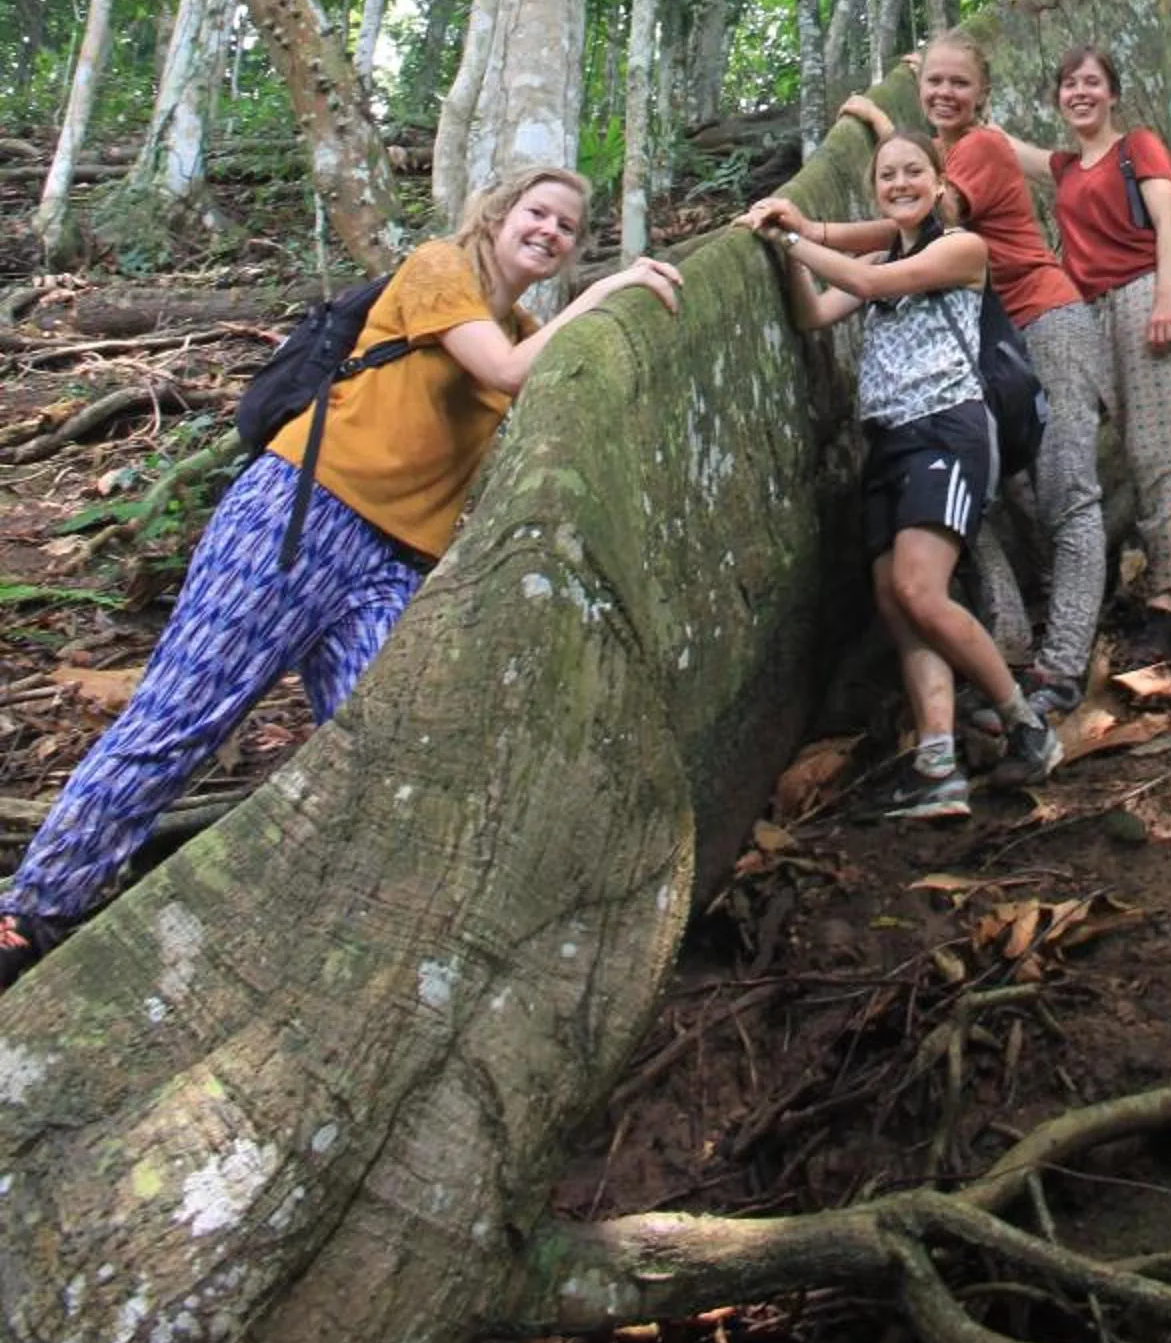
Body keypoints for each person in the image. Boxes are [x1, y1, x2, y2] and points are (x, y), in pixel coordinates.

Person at [0, 170, 683, 989]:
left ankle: (354, 941)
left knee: (394, 743)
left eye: (570, 227)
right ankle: (31, 913)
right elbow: (502, 371)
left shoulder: (535, 324)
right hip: (301, 511)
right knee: (183, 716)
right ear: (498, 218)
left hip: (390, 564)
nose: (552, 233)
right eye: (538, 214)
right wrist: (613, 288)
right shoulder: (439, 268)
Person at [739, 132, 1062, 819]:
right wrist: (785, 253)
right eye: (888, 176)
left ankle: (1027, 725)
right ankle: (937, 762)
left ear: (940, 183)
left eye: (914, 171)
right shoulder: (886, 250)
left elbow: (868, 283)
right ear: (875, 190)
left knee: (920, 586)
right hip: (889, 441)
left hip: (948, 430)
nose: (901, 183)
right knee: (895, 597)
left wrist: (793, 236)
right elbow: (815, 313)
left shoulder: (960, 249)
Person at [830, 30, 1107, 724]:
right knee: (974, 496)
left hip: (1046, 321)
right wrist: (882, 126)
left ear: (983, 95)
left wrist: (811, 231)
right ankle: (1007, 645)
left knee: (1068, 489)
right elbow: (918, 179)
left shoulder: (980, 148)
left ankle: (1063, 667)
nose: (946, 94)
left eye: (960, 83)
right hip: (987, 347)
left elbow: (927, 208)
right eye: (935, 83)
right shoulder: (946, 156)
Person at [1000, 44, 1171, 661]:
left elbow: (1168, 221)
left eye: (1091, 83)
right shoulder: (1063, 168)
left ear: (1112, 93)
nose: (1079, 92)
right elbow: (997, 145)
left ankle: (1164, 600)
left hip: (1142, 296)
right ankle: (1080, 579)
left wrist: (1166, 298)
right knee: (1056, 447)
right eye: (1068, 85)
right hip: (1080, 312)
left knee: (1153, 448)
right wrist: (924, 86)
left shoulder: (1138, 146)